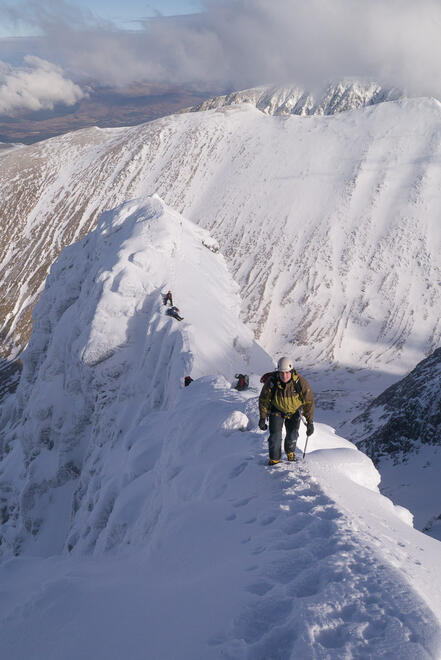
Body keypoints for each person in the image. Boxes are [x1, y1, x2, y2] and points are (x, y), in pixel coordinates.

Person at [258, 357, 315, 465]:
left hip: (294, 412)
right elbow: (264, 400)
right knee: (275, 437)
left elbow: (309, 402)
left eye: (287, 373)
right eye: (282, 373)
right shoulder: (272, 381)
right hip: (277, 410)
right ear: (278, 372)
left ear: (291, 371)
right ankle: (274, 460)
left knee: (292, 435)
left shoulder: (300, 382)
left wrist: (310, 422)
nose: (284, 376)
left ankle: (290, 453)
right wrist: (262, 417)